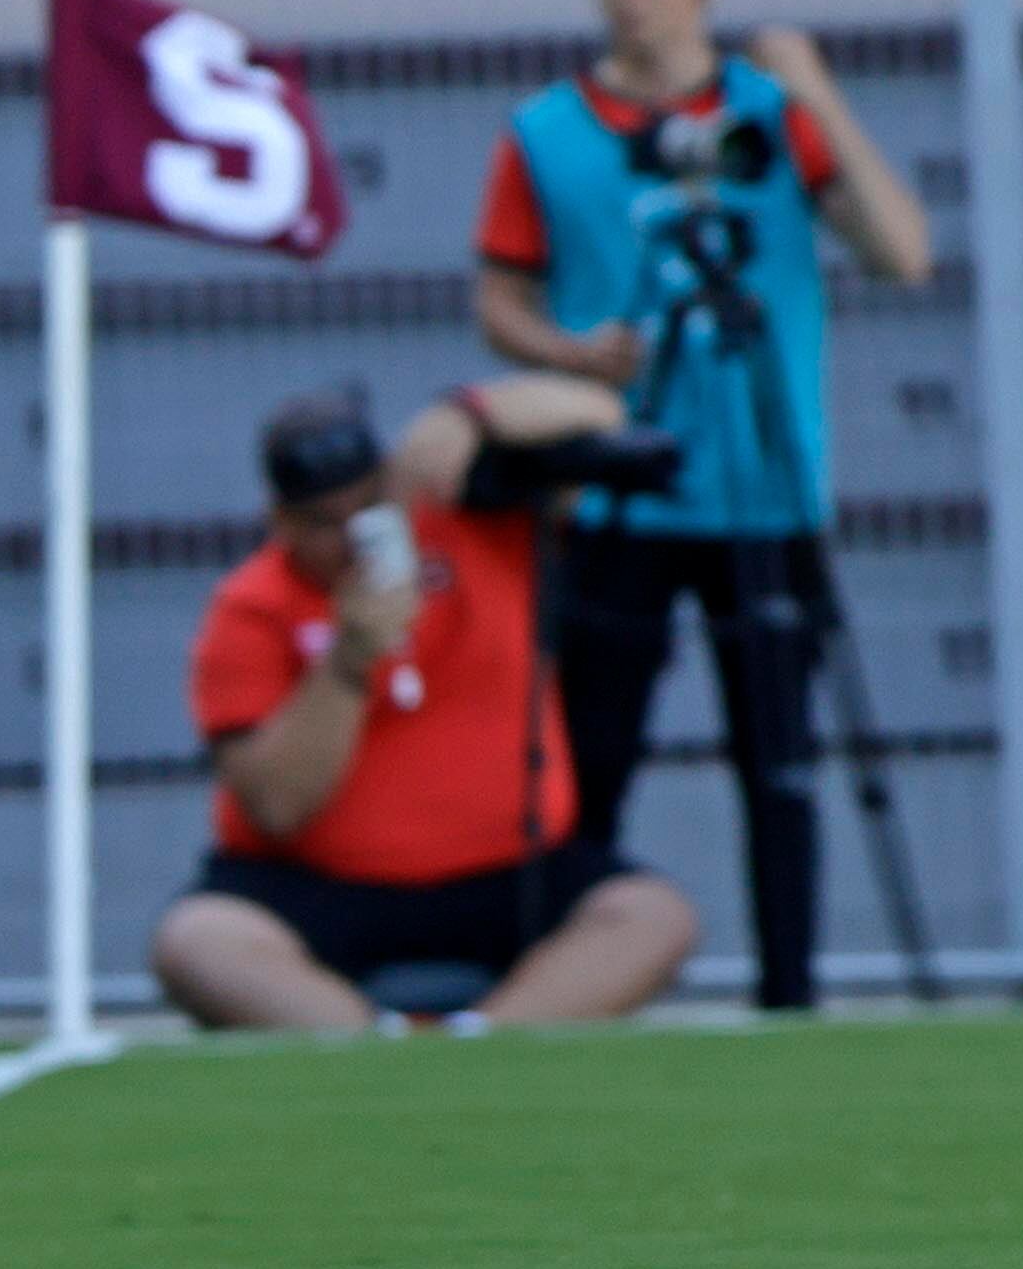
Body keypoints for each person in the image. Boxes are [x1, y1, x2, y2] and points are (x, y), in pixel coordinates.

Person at [471, 0, 935, 1012]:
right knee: (592, 755)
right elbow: (499, 299)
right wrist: (571, 356)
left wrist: (813, 91)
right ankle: (566, 989)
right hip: (619, 486)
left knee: (781, 764)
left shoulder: (774, 115)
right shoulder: (546, 132)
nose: (632, 0)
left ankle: (790, 997)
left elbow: (901, 254)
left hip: (767, 485)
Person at [148, 379, 698, 1033]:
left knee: (651, 916)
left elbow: (602, 410)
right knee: (200, 941)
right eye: (325, 522)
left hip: (507, 872)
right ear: (283, 521)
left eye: (369, 510)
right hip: (317, 883)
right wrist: (350, 659)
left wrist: (466, 415)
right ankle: (368, 1047)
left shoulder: (474, 531)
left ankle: (482, 1043)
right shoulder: (251, 606)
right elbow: (275, 805)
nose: (353, 540)